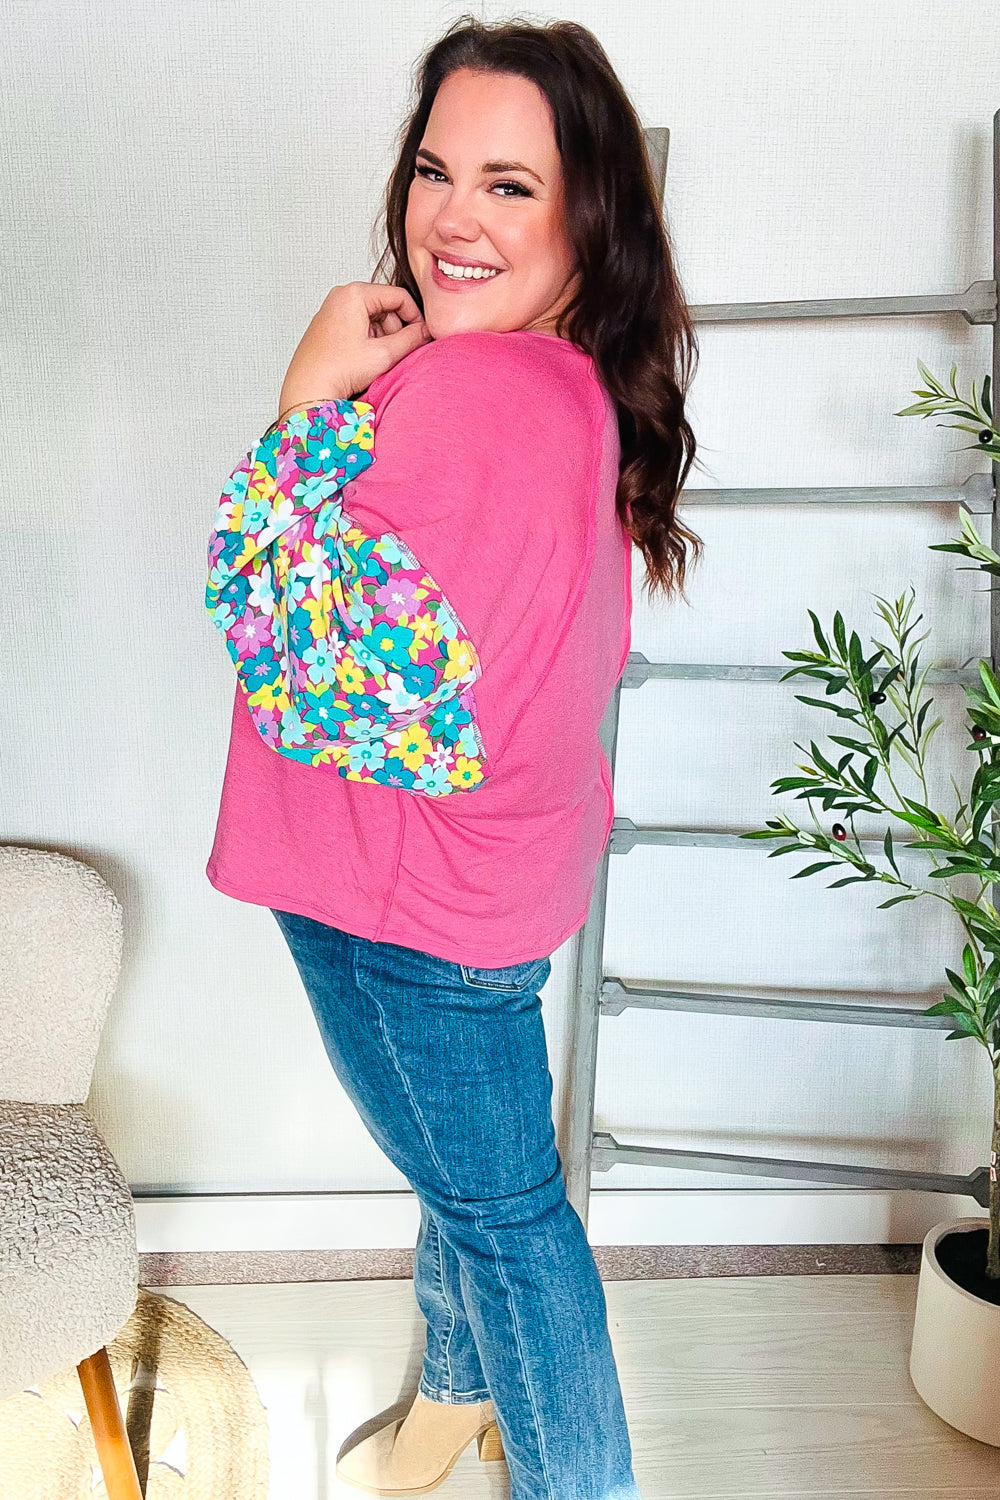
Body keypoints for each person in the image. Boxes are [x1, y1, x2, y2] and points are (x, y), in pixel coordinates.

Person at [205, 16, 702, 1499]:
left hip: (403, 907)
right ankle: (458, 1396)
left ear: (587, 216)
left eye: (509, 185)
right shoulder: (562, 381)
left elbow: (308, 664)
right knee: (472, 1182)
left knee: (504, 1219)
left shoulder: (478, 396)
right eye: (436, 171)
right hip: (487, 885)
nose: (451, 219)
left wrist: (305, 402)